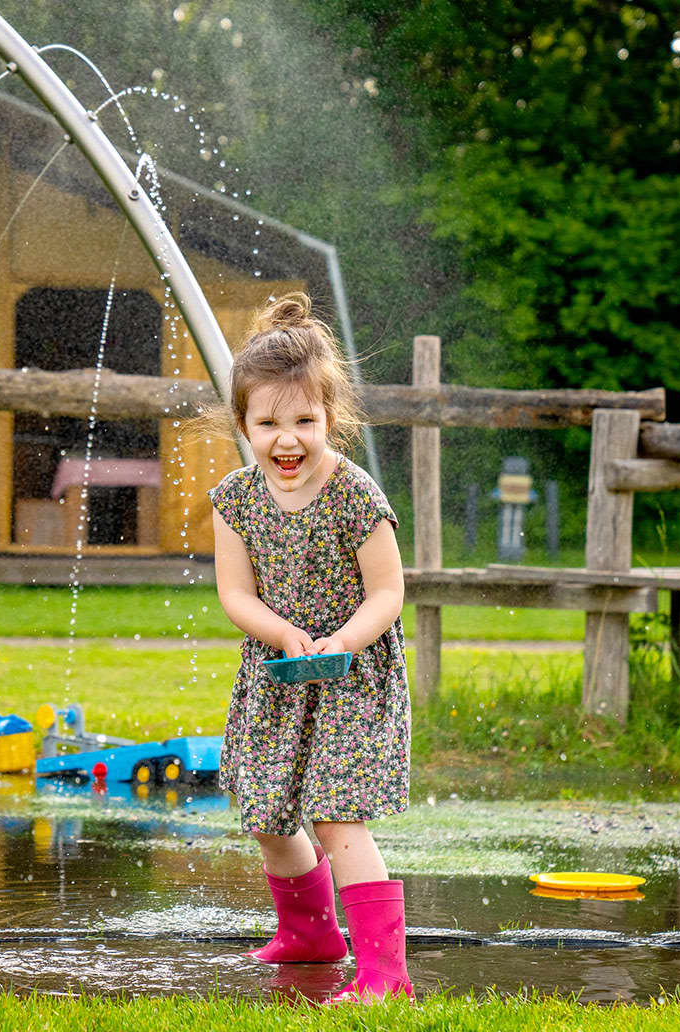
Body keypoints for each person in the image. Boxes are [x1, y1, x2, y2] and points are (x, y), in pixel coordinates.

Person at [206, 292, 412, 1003]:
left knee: (334, 814)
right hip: (277, 674)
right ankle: (310, 934)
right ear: (244, 425)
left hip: (352, 675)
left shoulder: (354, 493)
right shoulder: (236, 498)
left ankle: (386, 976)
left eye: (304, 421)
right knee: (266, 814)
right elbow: (235, 594)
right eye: (268, 423)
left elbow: (388, 591)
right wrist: (281, 632)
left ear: (330, 418)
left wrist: (343, 639)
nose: (286, 439)